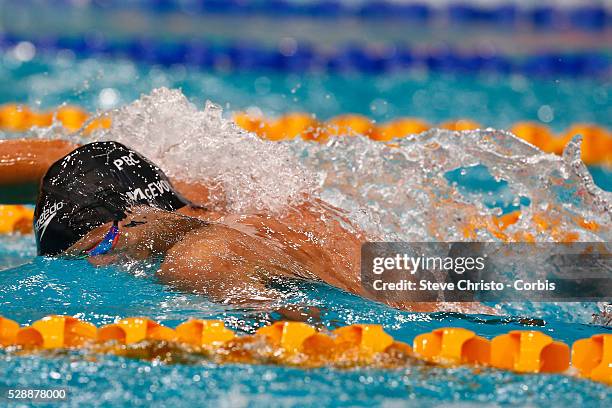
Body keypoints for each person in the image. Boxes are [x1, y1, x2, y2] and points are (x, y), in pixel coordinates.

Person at [0, 138, 494, 315]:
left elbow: (294, 325)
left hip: (475, 330)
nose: (105, 263)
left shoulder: (194, 259)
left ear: (134, 219)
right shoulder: (238, 199)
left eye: (101, 246)